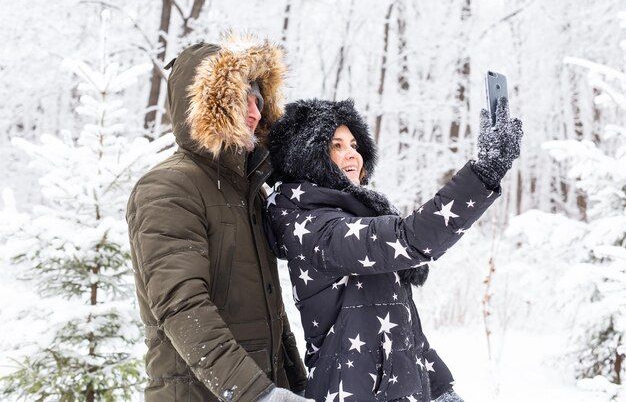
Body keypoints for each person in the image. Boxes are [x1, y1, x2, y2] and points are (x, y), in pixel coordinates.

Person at [263, 98, 522, 402]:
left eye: (354, 145)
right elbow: (410, 237)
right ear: (306, 156)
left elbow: (403, 328)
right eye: (336, 146)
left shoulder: (356, 218)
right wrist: (484, 174)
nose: (352, 154)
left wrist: (439, 389)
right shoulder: (314, 228)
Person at [126, 34, 311, 402]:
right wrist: (257, 393)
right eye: (243, 98)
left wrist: (297, 383)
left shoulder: (248, 191)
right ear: (210, 105)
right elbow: (183, 306)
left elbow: (271, 308)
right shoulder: (168, 187)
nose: (256, 112)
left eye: (259, 100)